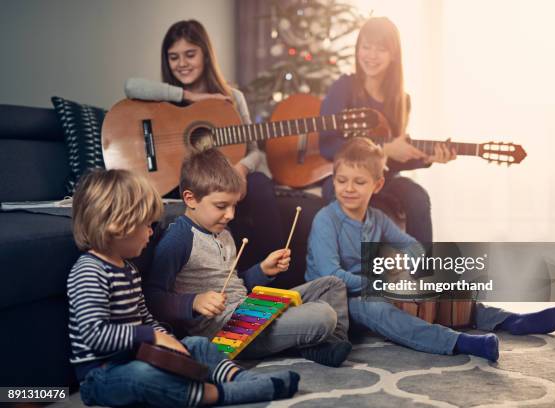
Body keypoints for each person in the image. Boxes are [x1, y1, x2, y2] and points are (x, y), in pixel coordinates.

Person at [306, 137, 555, 362]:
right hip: (335, 299)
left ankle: (509, 320)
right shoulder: (326, 220)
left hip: (369, 287)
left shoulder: (377, 219)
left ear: (377, 185)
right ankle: (458, 342)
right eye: (342, 181)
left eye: (359, 182)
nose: (348, 188)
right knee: (377, 310)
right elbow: (333, 277)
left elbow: (411, 246)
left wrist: (414, 270)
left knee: (444, 288)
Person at [67, 169, 299, 407]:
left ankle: (241, 379)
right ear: (118, 226)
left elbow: (146, 319)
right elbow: (94, 334)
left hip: (139, 356)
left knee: (196, 344)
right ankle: (220, 395)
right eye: (147, 224)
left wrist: (171, 343)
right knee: (144, 377)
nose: (151, 231)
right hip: (102, 375)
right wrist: (153, 337)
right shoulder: (88, 271)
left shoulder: (129, 270)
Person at [144, 148, 352, 367]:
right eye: (221, 206)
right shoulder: (178, 239)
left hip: (249, 310)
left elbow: (235, 284)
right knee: (323, 315)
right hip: (226, 333)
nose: (231, 214)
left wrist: (262, 270)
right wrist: (194, 301)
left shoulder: (223, 232)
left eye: (234, 205)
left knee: (333, 285)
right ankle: (315, 339)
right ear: (191, 198)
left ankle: (327, 347)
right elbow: (153, 298)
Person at [124, 19, 282, 272]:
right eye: (174, 57)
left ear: (205, 55)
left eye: (190, 54)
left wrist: (240, 169)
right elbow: (130, 86)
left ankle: (272, 277)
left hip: (224, 179)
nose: (182, 63)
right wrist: (191, 97)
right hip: (178, 182)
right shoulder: (165, 96)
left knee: (260, 185)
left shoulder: (232, 97)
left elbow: (253, 150)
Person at [320, 17, 456, 245]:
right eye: (366, 47)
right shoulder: (344, 87)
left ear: (393, 54)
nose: (371, 55)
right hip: (346, 176)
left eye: (380, 49)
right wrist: (383, 147)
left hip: (383, 177)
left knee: (418, 196)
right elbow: (327, 146)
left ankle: (422, 274)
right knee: (336, 193)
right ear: (358, 49)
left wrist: (426, 158)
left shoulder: (402, 100)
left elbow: (393, 160)